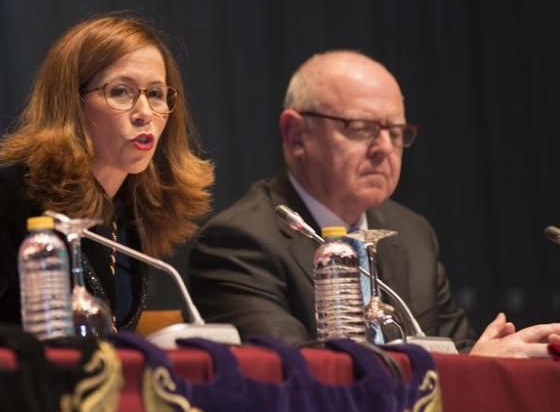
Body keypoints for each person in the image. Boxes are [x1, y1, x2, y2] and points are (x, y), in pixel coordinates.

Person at [189, 50, 560, 357]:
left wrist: (516, 354)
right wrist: (471, 369)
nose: (384, 148)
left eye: (396, 133)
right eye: (362, 128)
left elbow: (459, 350)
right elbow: (301, 375)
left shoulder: (413, 235)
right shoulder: (240, 242)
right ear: (296, 134)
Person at [0, 14, 214, 331]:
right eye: (121, 92)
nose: (144, 113)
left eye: (155, 94)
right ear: (72, 103)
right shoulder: (4, 202)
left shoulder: (128, 213)